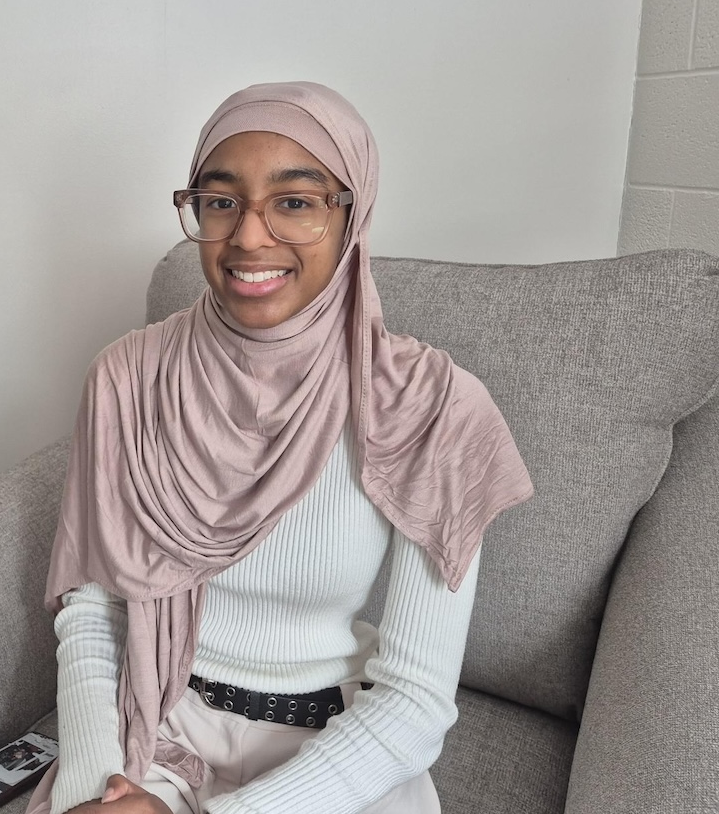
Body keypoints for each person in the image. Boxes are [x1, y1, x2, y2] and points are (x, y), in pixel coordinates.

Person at [26, 81, 533, 814]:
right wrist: (105, 788)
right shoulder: (126, 378)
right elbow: (94, 613)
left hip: (334, 760)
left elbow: (415, 700)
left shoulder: (433, 408)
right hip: (153, 733)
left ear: (351, 215)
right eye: (220, 200)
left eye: (295, 201)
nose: (249, 238)